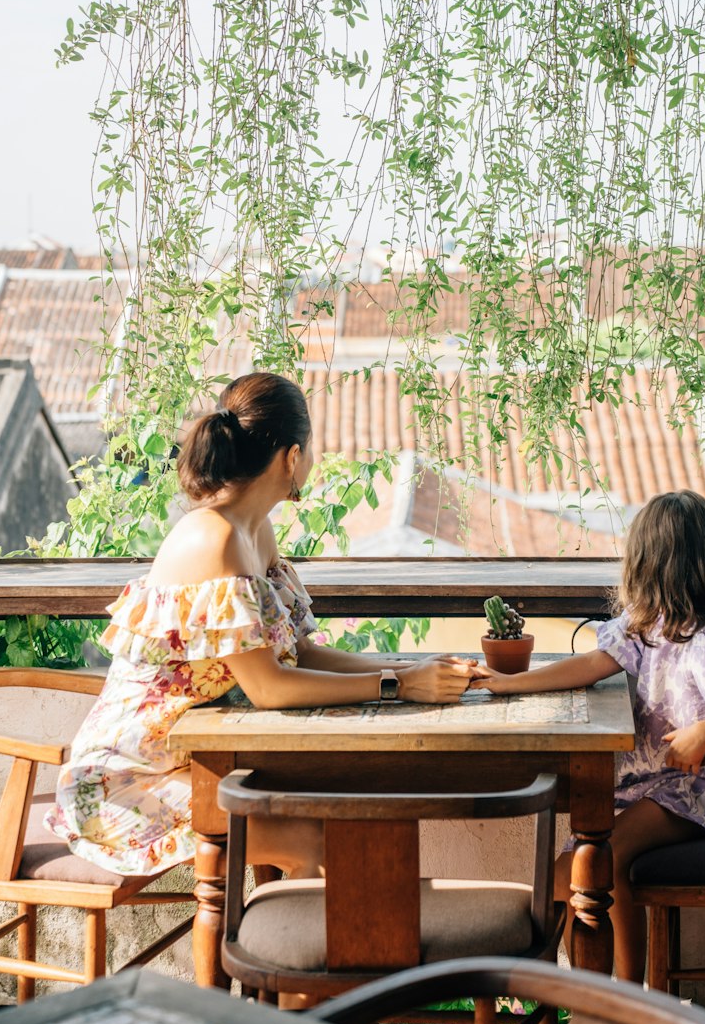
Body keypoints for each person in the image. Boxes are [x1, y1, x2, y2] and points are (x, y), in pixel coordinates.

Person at [46, 371, 476, 880]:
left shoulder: (254, 529)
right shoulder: (212, 538)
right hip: (125, 784)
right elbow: (268, 686)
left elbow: (299, 655)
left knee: (341, 817)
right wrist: (398, 686)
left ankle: (344, 954)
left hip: (192, 763)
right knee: (314, 842)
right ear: (292, 457)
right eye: (311, 449)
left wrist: (407, 668)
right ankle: (323, 958)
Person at [471, 489, 705, 983]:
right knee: (578, 867)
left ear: (644, 563)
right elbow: (588, 666)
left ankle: (627, 993)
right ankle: (578, 985)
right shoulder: (645, 629)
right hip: (657, 785)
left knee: (597, 862)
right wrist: (509, 684)